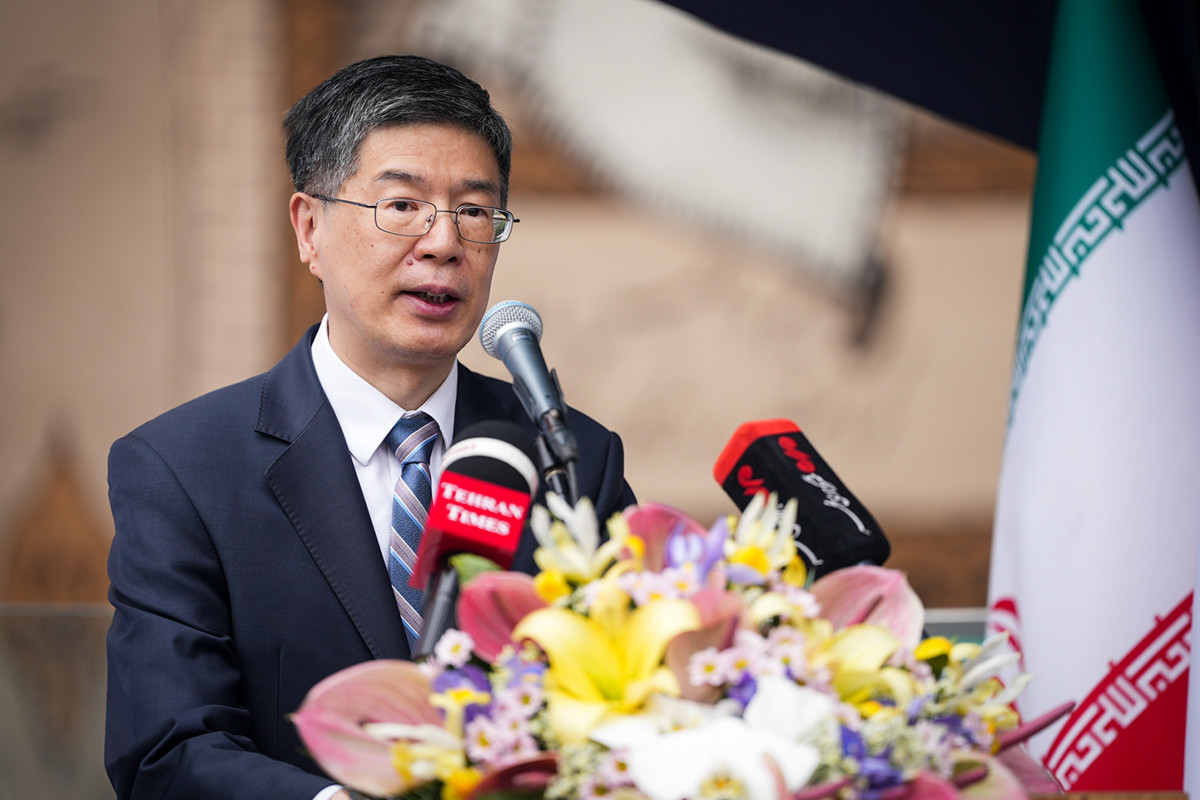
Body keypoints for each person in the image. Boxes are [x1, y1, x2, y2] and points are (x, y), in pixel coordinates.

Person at [104, 54, 636, 800]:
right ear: (309, 228)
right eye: (402, 205)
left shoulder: (571, 456)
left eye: (474, 211)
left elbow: (637, 710)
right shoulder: (182, 468)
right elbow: (166, 751)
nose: (444, 243)